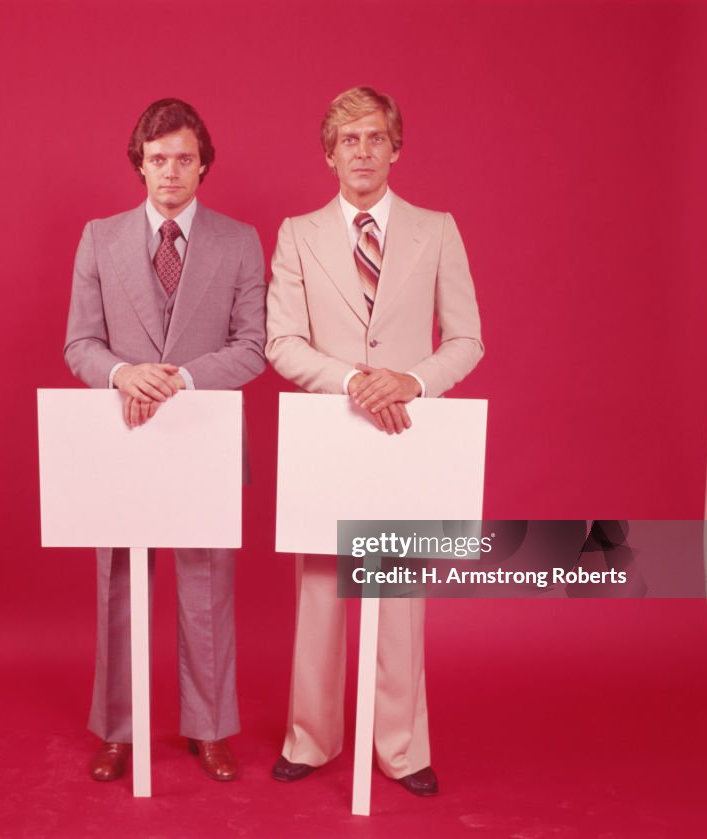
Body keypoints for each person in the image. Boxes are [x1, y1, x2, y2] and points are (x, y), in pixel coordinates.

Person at [265, 86, 484, 796]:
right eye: (349, 140)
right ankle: (312, 735)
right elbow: (282, 341)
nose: (363, 151)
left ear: (396, 147)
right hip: (329, 429)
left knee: (397, 590)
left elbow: (466, 339)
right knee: (322, 591)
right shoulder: (298, 233)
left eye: (375, 138)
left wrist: (411, 383)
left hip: (404, 431)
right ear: (330, 154)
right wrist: (357, 380)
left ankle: (401, 744)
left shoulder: (437, 229)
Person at [64, 98, 266, 783]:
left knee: (208, 584)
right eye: (158, 159)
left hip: (203, 433)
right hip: (122, 434)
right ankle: (118, 730)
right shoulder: (99, 238)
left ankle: (208, 728)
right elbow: (80, 344)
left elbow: (253, 348)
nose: (170, 172)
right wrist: (124, 373)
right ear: (139, 165)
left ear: (203, 164)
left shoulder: (239, 241)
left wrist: (176, 377)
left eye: (184, 158)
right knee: (118, 582)